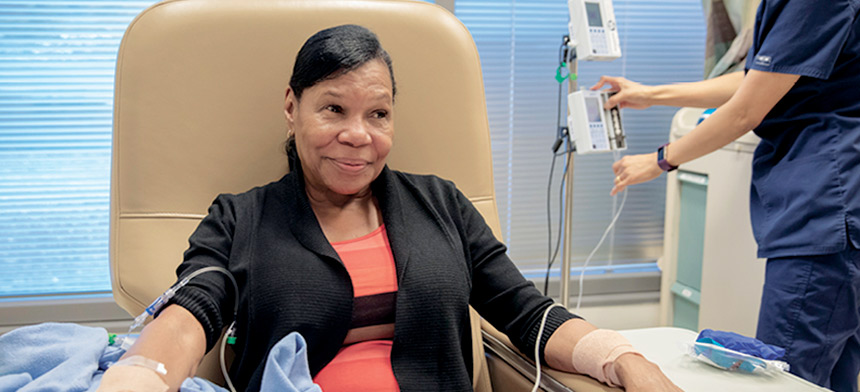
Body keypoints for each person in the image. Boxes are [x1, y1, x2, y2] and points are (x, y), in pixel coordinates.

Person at [97, 25, 681, 392]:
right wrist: (135, 379)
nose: (359, 135)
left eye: (377, 114)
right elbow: (189, 312)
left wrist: (625, 360)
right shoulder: (240, 218)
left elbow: (524, 311)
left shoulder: (441, 205)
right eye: (333, 109)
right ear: (291, 106)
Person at [592, 1, 860, 391]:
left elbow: (745, 110)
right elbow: (763, 76)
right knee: (831, 376)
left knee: (786, 377)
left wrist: (661, 160)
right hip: (828, 205)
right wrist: (652, 94)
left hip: (824, 209)